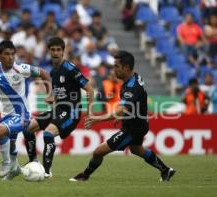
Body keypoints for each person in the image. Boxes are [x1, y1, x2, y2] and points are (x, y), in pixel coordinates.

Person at [69, 50, 175, 182]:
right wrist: (123, 116)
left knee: (98, 152)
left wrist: (97, 119)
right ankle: (165, 170)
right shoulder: (133, 78)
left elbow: (121, 110)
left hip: (133, 128)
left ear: (126, 67)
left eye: (116, 66)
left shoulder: (132, 86)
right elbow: (132, 105)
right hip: (138, 123)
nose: (114, 70)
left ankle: (85, 175)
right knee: (136, 149)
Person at [0, 40, 52, 180]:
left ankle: (6, 163)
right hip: (6, 115)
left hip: (22, 114)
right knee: (11, 144)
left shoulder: (20, 69)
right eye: (7, 54)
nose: (10, 57)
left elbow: (43, 73)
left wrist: (50, 94)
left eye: (12, 54)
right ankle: (14, 169)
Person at [23, 36, 94, 178]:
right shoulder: (53, 72)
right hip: (58, 110)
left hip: (71, 112)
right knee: (28, 130)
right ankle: (33, 163)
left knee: (48, 134)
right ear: (49, 51)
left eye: (58, 50)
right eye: (53, 50)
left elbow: (89, 89)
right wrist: (51, 97)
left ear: (63, 51)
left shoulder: (70, 68)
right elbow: (59, 94)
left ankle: (47, 172)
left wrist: (89, 113)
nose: (55, 52)